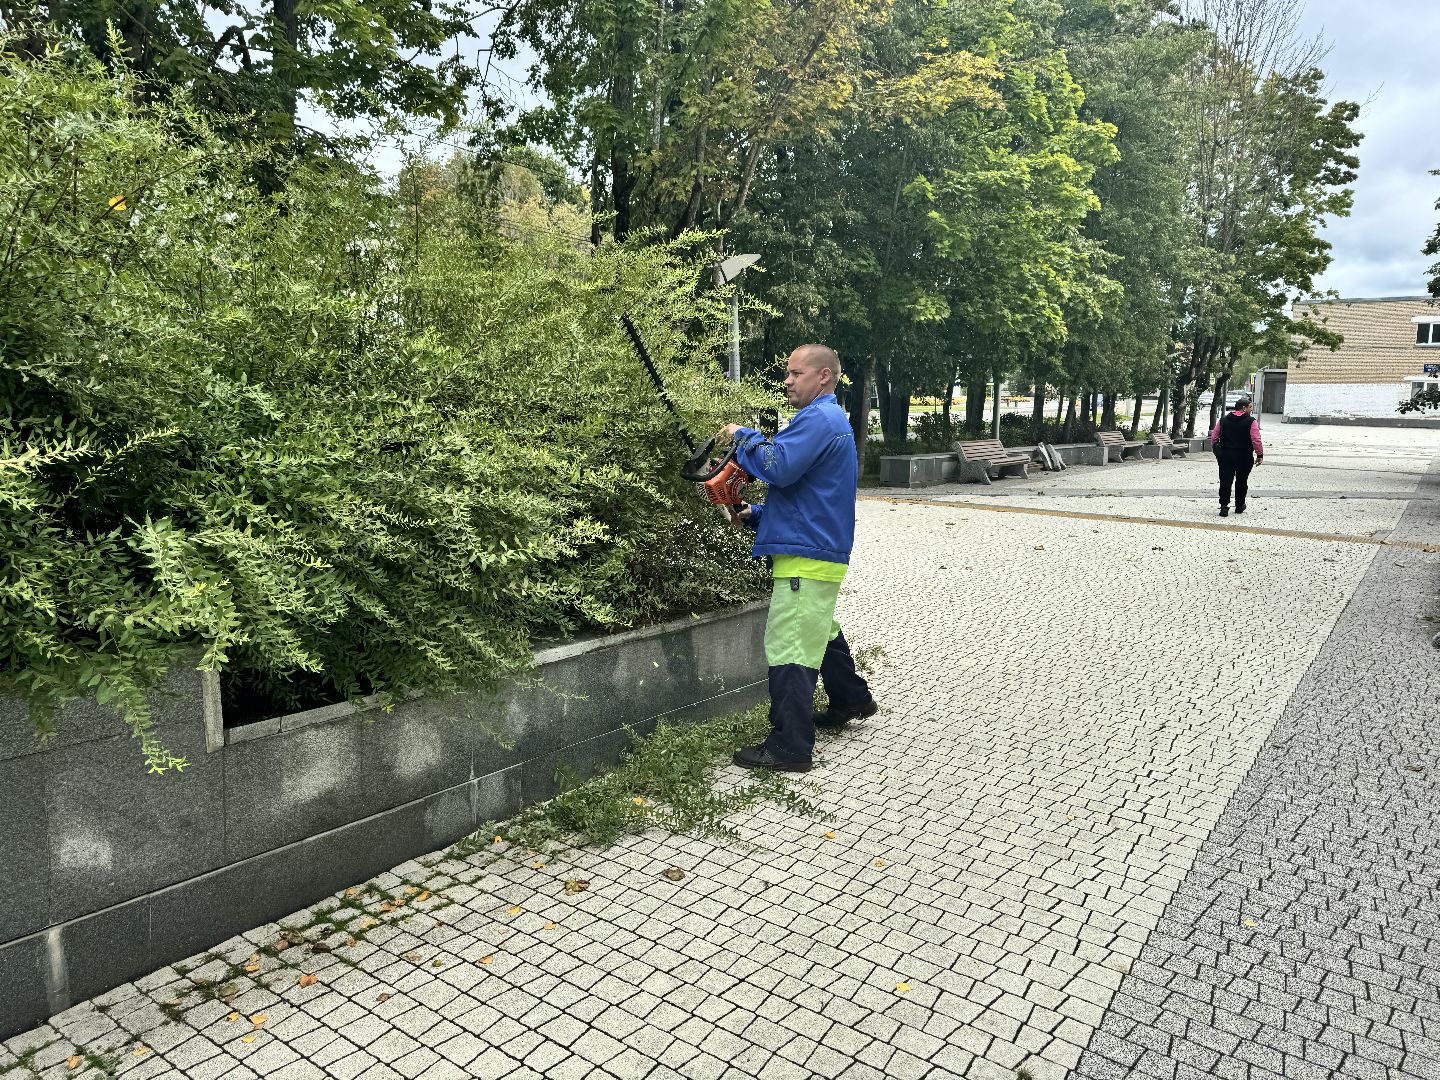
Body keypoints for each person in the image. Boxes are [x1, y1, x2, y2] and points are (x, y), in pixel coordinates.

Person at [716, 344, 876, 773]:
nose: (787, 380)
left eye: (795, 373)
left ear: (824, 376)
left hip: (806, 557)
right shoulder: (827, 420)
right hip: (815, 550)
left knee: (790, 645)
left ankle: (789, 747)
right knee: (820, 629)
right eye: (787, 373)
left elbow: (778, 465)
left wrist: (741, 435)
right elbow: (809, 495)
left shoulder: (819, 419)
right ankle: (850, 699)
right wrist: (757, 515)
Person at [1210, 395, 1263, 517]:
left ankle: (1224, 506)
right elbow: (1256, 439)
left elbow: (1214, 436)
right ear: (1243, 408)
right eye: (1250, 407)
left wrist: (1216, 449)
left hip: (1225, 455)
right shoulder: (1251, 421)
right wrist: (1259, 454)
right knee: (1241, 481)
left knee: (1225, 481)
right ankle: (1239, 506)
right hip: (1244, 456)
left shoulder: (1223, 420)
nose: (1251, 410)